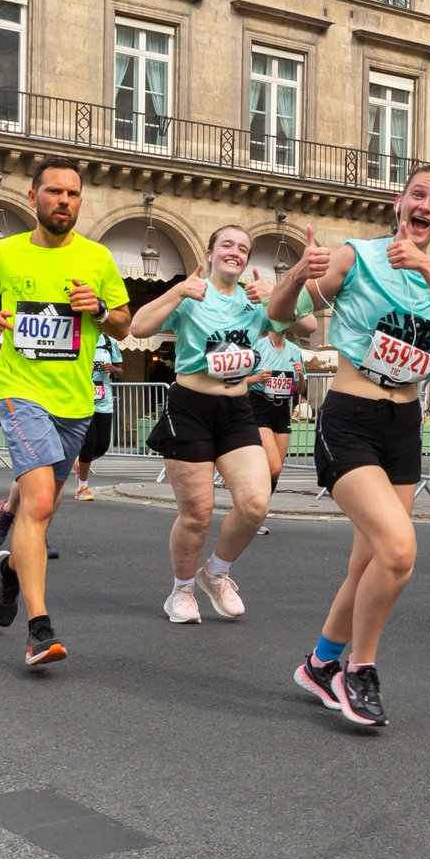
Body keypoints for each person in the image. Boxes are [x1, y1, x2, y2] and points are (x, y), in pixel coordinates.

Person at [269, 165, 430, 727]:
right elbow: (281, 316)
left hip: (403, 428)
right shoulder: (354, 255)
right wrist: (295, 275)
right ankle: (359, 670)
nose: (426, 206)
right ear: (399, 201)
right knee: (399, 550)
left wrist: (428, 267)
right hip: (351, 420)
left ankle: (319, 664)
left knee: (367, 564)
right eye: (418, 195)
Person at [0, 156, 130, 667]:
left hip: (76, 402)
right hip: (22, 390)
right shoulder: (7, 254)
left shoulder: (98, 259)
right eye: (55, 191)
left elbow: (125, 325)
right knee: (36, 504)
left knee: (42, 510)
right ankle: (40, 629)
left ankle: (11, 571)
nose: (64, 200)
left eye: (73, 194)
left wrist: (99, 310)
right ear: (34, 196)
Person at [131, 230, 319, 624]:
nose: (235, 253)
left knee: (255, 503)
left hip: (236, 410)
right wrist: (179, 291)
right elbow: (139, 327)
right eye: (228, 246)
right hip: (190, 408)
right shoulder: (193, 293)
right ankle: (181, 590)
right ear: (211, 253)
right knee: (197, 513)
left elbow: (308, 327)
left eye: (243, 249)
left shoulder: (256, 301)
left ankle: (215, 573)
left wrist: (274, 293)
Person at [0, 335, 61, 560]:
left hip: (70, 401)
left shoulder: (85, 313)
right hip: (27, 400)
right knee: (41, 467)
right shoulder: (28, 310)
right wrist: (14, 373)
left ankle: (8, 510)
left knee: (54, 474)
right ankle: (36, 536)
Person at [247, 320, 315, 531]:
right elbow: (239, 379)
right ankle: (254, 511)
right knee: (273, 465)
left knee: (275, 471)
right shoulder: (257, 347)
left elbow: (302, 388)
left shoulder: (294, 350)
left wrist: (300, 376)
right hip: (259, 405)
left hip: (282, 409)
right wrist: (257, 377)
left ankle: (255, 512)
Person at [71, 329, 124, 500]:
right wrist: (84, 367)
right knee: (90, 441)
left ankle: (80, 463)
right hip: (82, 397)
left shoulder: (110, 341)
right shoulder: (78, 336)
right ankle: (82, 487)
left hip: (104, 399)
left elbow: (121, 371)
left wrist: (113, 368)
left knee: (102, 446)